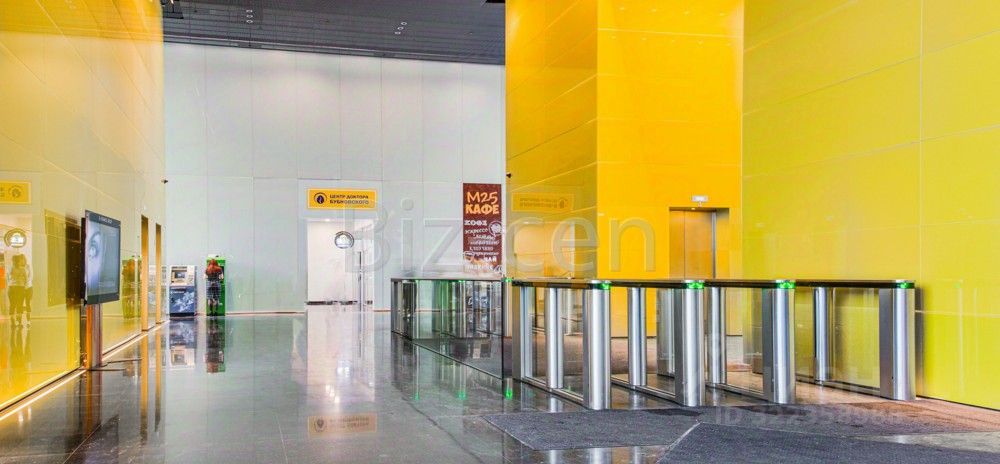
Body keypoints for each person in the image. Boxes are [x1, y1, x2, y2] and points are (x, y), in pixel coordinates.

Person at [8, 254, 30, 327]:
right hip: (20, 288)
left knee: (12, 305)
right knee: (19, 305)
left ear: (13, 261)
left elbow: (8, 278)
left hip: (11, 288)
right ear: (19, 261)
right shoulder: (23, 269)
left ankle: (12, 322)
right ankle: (19, 322)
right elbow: (26, 280)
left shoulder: (10, 268)